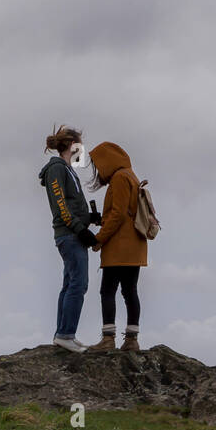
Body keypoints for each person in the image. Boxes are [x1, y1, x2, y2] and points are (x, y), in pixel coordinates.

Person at [39, 125, 102, 352]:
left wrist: (90, 218)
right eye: (80, 147)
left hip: (72, 234)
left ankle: (64, 334)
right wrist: (81, 230)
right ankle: (65, 334)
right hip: (69, 235)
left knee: (70, 284)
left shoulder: (67, 170)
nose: (82, 152)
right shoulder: (57, 169)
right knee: (78, 284)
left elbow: (71, 206)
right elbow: (61, 208)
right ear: (72, 146)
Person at [86, 141, 148, 352]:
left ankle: (108, 338)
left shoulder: (120, 178)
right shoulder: (131, 175)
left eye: (97, 164)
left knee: (107, 290)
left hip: (120, 246)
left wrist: (99, 238)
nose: (97, 170)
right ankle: (132, 339)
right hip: (135, 246)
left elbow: (118, 214)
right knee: (130, 291)